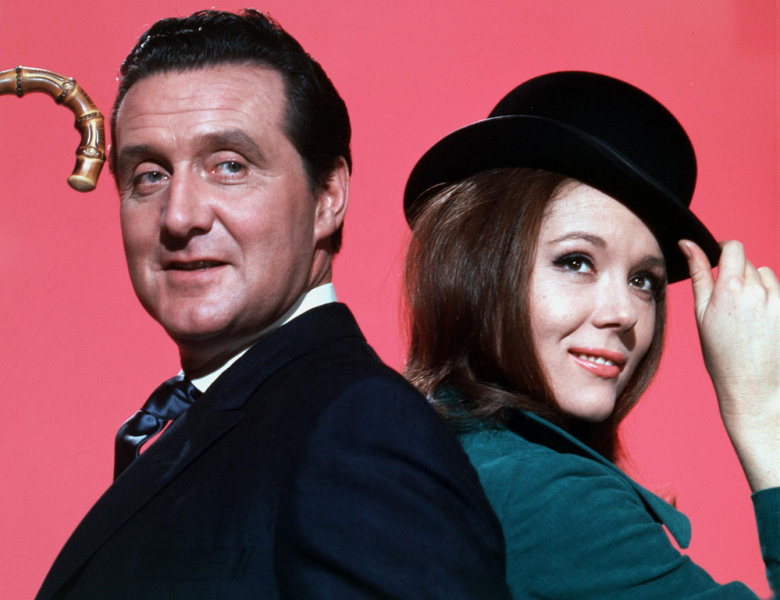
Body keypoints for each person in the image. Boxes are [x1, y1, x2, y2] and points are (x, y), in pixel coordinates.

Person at [35, 10, 512, 600]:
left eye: (229, 166)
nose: (179, 216)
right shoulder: (246, 416)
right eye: (150, 175)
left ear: (328, 196)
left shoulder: (361, 430)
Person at [402, 70, 780, 598]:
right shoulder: (546, 495)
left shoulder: (429, 448)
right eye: (576, 261)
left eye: (643, 280)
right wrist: (763, 413)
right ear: (480, 268)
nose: (623, 313)